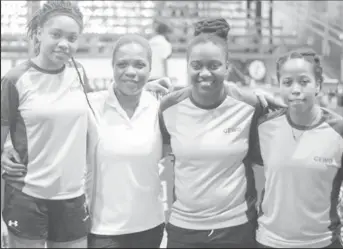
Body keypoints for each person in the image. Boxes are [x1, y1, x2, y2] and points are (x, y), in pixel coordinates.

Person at [0, 2, 172, 248]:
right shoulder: (15, 79)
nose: (63, 43)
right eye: (56, 35)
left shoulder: (78, 71)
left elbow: (91, 103)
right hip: (28, 196)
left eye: (71, 37)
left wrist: (143, 88)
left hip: (72, 198)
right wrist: (4, 149)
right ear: (39, 32)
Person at [158, 18, 265, 248]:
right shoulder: (168, 107)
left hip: (237, 228)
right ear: (187, 65)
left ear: (227, 66)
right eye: (196, 65)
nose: (204, 73)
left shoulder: (250, 105)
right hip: (184, 228)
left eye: (214, 65)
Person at [249, 48, 343, 248]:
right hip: (270, 242)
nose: (295, 89)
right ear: (279, 86)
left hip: (322, 243)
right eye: (287, 82)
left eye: (304, 81)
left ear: (318, 85)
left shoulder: (338, 131)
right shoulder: (264, 127)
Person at [85, 34, 165, 248]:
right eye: (122, 64)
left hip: (151, 227)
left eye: (140, 64)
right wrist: (10, 146)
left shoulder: (160, 107)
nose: (131, 72)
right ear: (112, 67)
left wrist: (255, 95)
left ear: (150, 68)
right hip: (103, 231)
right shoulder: (90, 106)